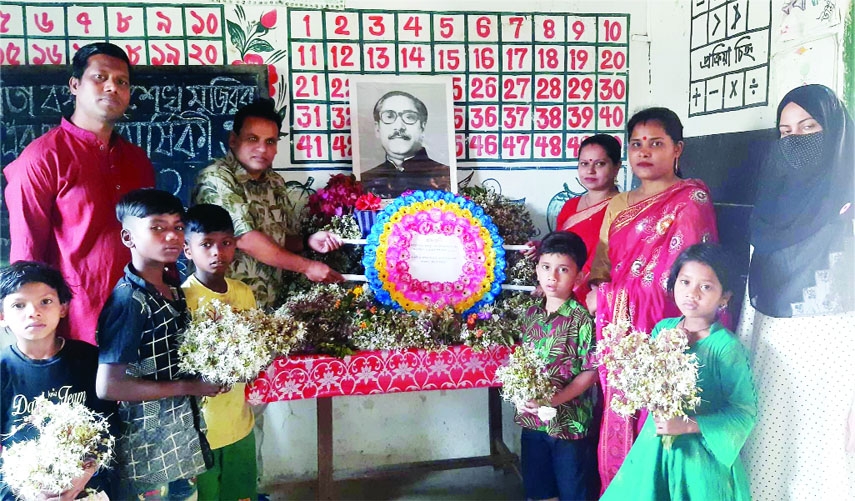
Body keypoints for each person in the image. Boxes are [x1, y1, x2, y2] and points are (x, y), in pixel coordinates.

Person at [587, 107, 719, 490]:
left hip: (667, 334)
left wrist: (616, 298)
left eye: (656, 143)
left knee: (660, 421)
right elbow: (603, 265)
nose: (644, 152)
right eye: (636, 144)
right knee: (620, 417)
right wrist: (603, 294)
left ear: (677, 149)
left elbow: (692, 278)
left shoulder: (690, 201)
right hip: (619, 332)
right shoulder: (619, 204)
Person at [737, 84, 855, 500]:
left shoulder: (851, 205)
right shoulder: (772, 204)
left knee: (823, 468)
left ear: (836, 131)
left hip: (834, 367)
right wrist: (744, 355)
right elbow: (755, 293)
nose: (797, 140)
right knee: (771, 462)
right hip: (772, 358)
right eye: (786, 133)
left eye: (809, 127)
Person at [3, 42, 155, 345]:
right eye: (100, 77)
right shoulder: (41, 159)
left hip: (141, 318)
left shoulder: (137, 160)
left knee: (141, 393)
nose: (112, 87)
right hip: (76, 327)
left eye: (122, 81)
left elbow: (156, 237)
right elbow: (26, 256)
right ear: (75, 85)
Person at [95, 189, 225, 499]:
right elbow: (109, 387)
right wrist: (189, 386)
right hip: (148, 450)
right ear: (128, 238)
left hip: (182, 440)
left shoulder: (173, 290)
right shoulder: (130, 301)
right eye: (157, 227)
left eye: (178, 227)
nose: (172, 236)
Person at [602, 243, 757, 500]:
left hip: (699, 459)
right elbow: (646, 381)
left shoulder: (726, 348)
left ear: (725, 296)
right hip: (655, 448)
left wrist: (687, 425)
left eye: (705, 287)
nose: (692, 293)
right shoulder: (663, 330)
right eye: (685, 282)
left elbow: (743, 412)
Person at [193, 98, 343, 310]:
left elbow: (281, 239)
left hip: (272, 307)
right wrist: (307, 267)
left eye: (270, 141)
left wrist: (308, 241)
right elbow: (245, 239)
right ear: (233, 140)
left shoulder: (275, 182)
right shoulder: (216, 179)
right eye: (253, 139)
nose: (262, 149)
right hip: (226, 309)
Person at [0, 262, 118, 500]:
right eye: (18, 305)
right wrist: (32, 490)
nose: (33, 312)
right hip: (23, 489)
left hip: (87, 482)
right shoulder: (4, 368)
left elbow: (110, 423)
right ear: (3, 316)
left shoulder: (89, 360)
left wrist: (82, 476)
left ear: (63, 308)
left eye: (45, 301)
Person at [181, 204, 258, 501]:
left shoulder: (243, 293)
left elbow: (255, 346)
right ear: (187, 250)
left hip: (240, 422)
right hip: (202, 432)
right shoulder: (184, 298)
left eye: (225, 243)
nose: (217, 252)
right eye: (206, 245)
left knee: (241, 493)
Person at [515, 231, 599, 501]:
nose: (552, 277)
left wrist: (557, 398)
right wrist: (520, 396)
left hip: (570, 426)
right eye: (546, 267)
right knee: (539, 490)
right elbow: (521, 363)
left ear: (579, 277)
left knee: (573, 490)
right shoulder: (530, 314)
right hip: (532, 422)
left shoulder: (582, 319)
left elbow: (591, 371)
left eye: (563, 269)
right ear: (537, 269)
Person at [524, 134, 621, 308]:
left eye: (599, 164)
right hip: (560, 289)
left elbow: (610, 259)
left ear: (616, 168)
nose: (590, 170)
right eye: (584, 163)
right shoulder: (570, 206)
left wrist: (575, 284)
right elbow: (563, 247)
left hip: (596, 297)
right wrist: (542, 249)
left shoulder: (624, 209)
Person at [361, 90, 452, 198]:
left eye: (409, 117)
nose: (399, 126)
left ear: (422, 127)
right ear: (377, 129)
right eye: (389, 116)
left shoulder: (445, 176)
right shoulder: (364, 180)